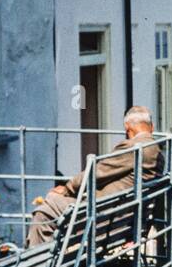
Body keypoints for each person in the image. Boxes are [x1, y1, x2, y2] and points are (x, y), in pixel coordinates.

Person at [27, 106, 162, 247]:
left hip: (103, 217)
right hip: (121, 219)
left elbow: (96, 173)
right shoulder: (157, 150)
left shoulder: (134, 148)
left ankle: (38, 264)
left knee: (45, 210)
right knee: (55, 203)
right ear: (151, 127)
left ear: (127, 128)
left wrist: (68, 187)